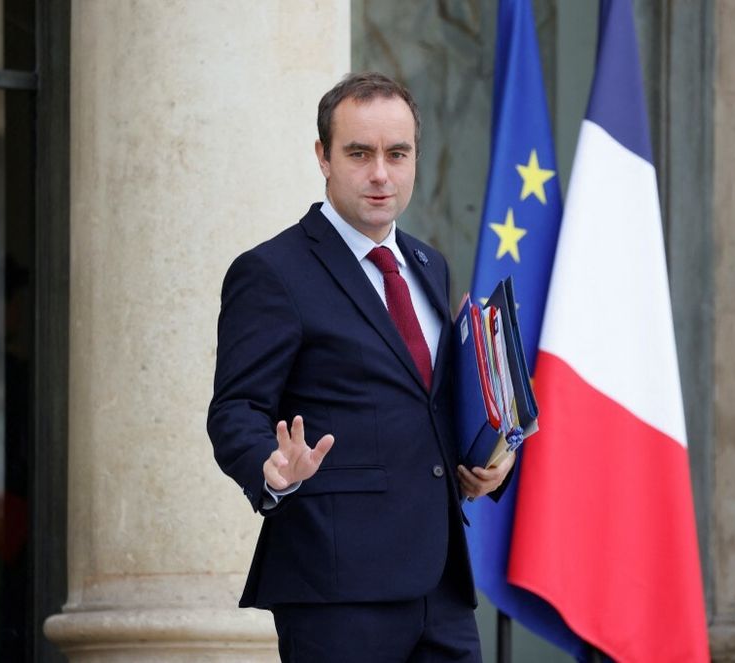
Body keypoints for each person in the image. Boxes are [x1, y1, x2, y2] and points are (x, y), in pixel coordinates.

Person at [207, 71, 514, 663]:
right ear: (323, 157)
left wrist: (481, 464)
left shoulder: (429, 264)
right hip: (334, 587)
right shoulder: (271, 272)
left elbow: (427, 404)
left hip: (441, 583)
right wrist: (272, 469)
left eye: (397, 154)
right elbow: (235, 410)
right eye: (359, 153)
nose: (381, 173)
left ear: (415, 158)